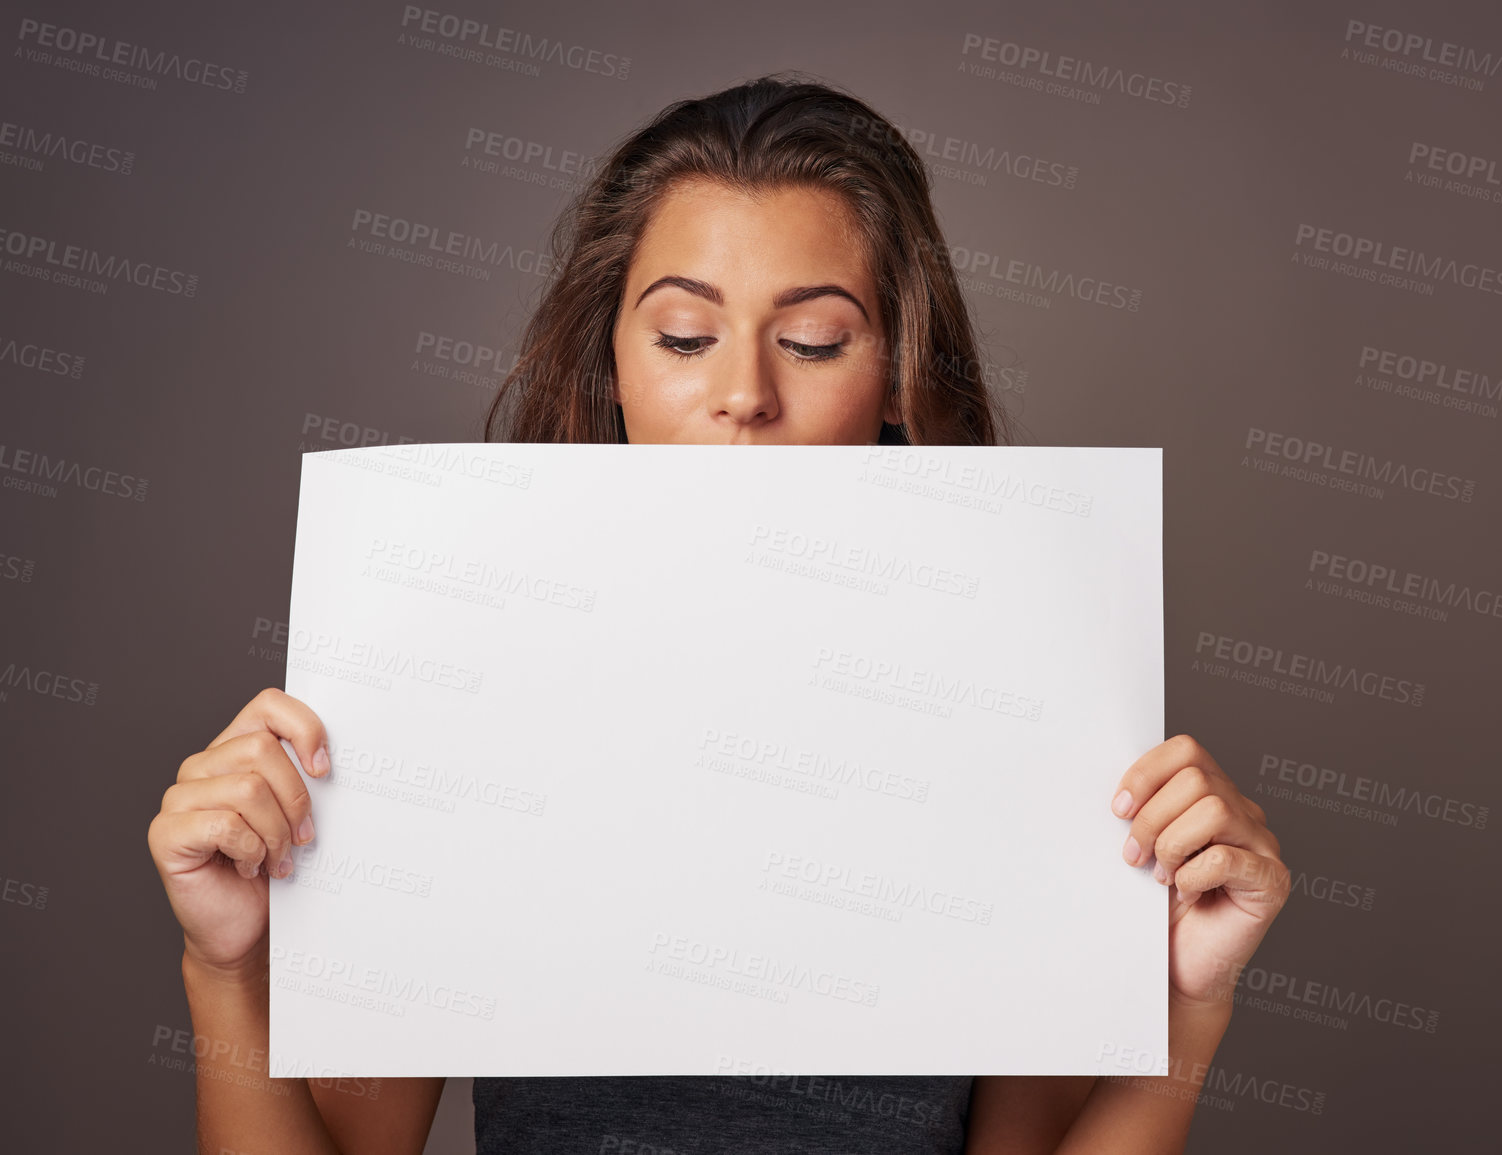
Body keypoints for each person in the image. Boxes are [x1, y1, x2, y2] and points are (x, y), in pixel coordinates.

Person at [147, 73, 1290, 1154]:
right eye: (686, 336)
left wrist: (1188, 1005)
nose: (743, 392)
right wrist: (223, 969)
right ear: (614, 362)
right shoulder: (462, 678)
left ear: (894, 367)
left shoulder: (1011, 701)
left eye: (814, 340)